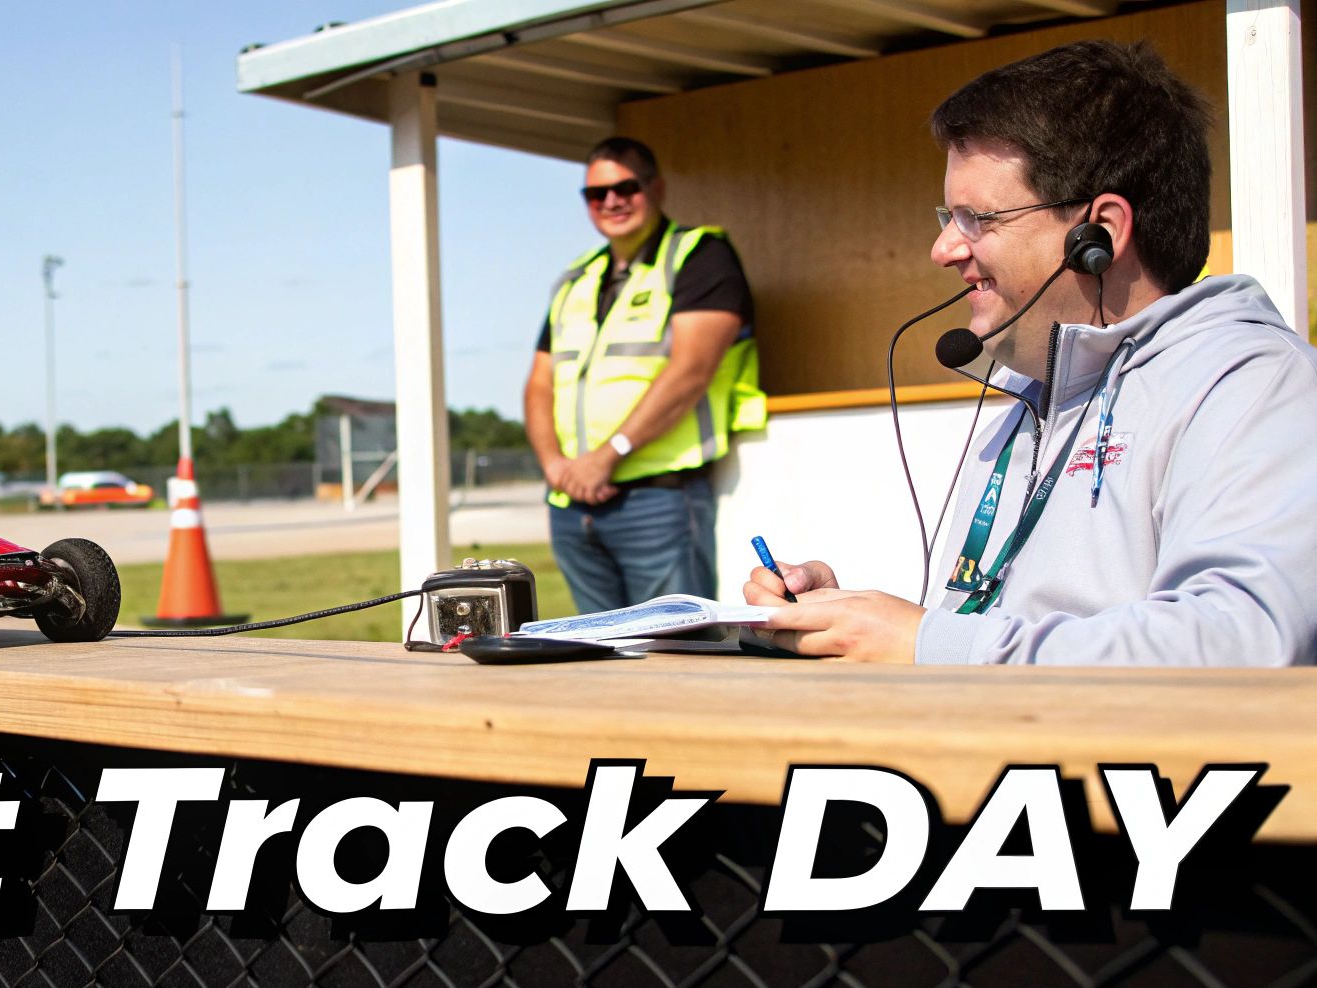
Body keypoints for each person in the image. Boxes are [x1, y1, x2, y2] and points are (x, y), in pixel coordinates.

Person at [744, 40, 1317, 666]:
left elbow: (1243, 641)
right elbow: (996, 637)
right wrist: (845, 620)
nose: (943, 250)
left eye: (975, 218)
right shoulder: (1030, 396)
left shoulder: (1251, 385)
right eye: (948, 215)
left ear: (1099, 234)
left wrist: (926, 642)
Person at [523, 136, 766, 614]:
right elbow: (539, 384)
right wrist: (555, 467)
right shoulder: (575, 278)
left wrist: (607, 457)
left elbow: (691, 371)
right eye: (597, 194)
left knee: (673, 660)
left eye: (626, 187)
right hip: (572, 506)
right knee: (596, 660)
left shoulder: (699, 254)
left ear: (656, 188)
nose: (612, 201)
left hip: (660, 502)